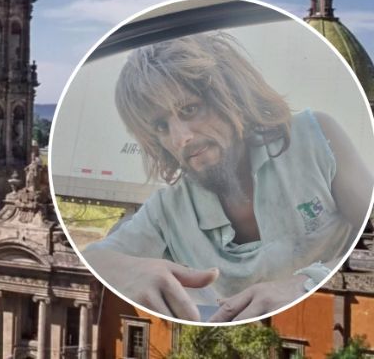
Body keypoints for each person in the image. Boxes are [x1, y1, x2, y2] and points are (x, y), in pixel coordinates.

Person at [83, 32, 374, 322]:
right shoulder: (168, 209)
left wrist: (306, 283)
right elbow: (95, 257)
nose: (180, 138)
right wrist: (128, 270)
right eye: (161, 126)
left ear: (232, 96)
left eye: (190, 109)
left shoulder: (315, 138)